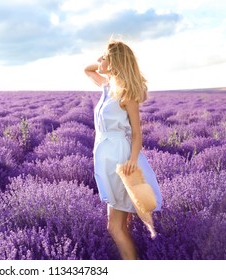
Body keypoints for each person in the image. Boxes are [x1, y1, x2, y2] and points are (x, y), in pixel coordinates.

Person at [84, 40, 162, 260]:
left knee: (115, 227)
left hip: (121, 161)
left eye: (104, 57)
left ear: (115, 62)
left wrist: (132, 161)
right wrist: (107, 65)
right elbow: (87, 69)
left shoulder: (126, 94)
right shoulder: (108, 87)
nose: (99, 60)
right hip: (106, 159)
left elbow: (137, 133)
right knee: (121, 223)